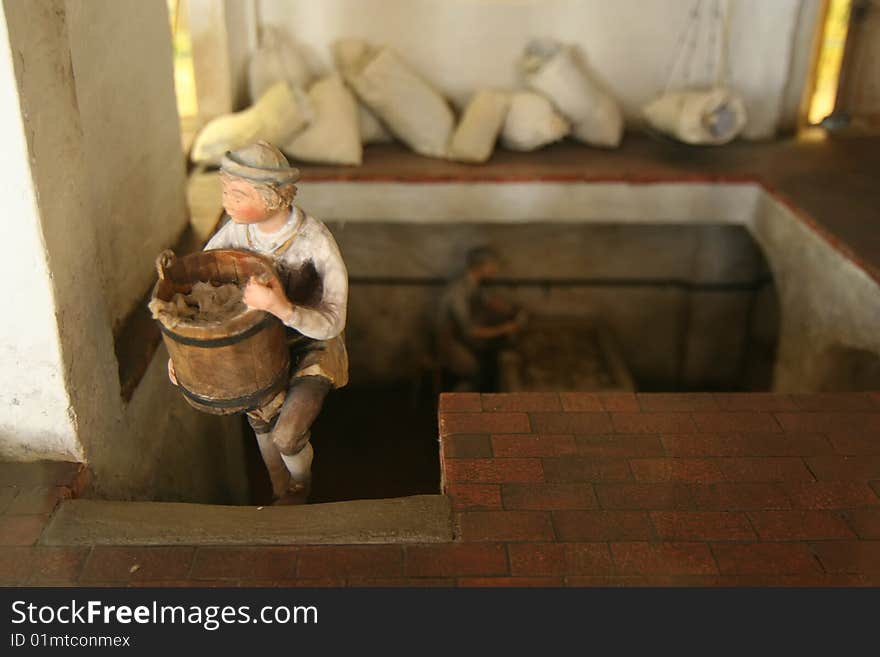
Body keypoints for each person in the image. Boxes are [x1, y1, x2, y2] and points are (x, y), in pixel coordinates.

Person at [168, 141, 348, 504]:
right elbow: (200, 293)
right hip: (257, 349)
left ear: (272, 197)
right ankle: (280, 489)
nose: (227, 203)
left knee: (287, 434)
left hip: (311, 347)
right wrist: (183, 352)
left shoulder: (314, 242)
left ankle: (301, 485)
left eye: (237, 194)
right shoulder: (235, 232)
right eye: (224, 192)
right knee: (262, 426)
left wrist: (284, 309)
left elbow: (332, 323)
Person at [436, 246, 527, 391]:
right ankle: (462, 403)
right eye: (493, 265)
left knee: (492, 356)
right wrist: (504, 328)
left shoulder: (472, 284)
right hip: (447, 342)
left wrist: (513, 310)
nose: (496, 269)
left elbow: (489, 301)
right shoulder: (458, 292)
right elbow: (469, 330)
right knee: (474, 370)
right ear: (481, 266)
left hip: (460, 338)